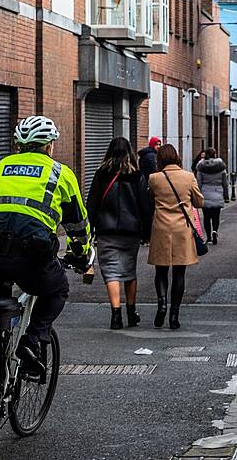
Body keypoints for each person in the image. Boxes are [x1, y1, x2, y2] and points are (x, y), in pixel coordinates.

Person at [0, 115, 91, 381]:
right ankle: (32, 339)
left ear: (18, 146)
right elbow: (77, 224)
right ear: (49, 146)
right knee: (57, 290)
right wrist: (81, 254)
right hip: (30, 255)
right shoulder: (60, 173)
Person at [86, 137, 152, 329]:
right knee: (129, 270)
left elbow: (92, 204)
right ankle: (132, 313)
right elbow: (144, 206)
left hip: (106, 231)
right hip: (131, 232)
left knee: (111, 272)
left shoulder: (101, 174)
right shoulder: (137, 176)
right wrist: (147, 231)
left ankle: (116, 315)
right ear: (129, 152)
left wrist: (88, 231)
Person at [148, 144, 204, 329]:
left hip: (161, 229)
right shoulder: (188, 177)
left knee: (161, 271)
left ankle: (162, 304)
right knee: (179, 273)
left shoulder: (154, 178)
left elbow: (150, 200)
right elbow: (199, 201)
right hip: (182, 230)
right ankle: (174, 314)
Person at [195, 148, 229, 244]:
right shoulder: (221, 167)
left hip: (205, 193)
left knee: (206, 217)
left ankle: (209, 237)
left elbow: (199, 183)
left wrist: (198, 195)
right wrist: (226, 196)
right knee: (216, 216)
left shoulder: (201, 167)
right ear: (215, 155)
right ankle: (215, 231)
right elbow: (225, 183)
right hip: (217, 192)